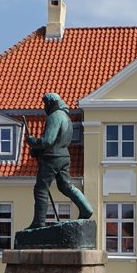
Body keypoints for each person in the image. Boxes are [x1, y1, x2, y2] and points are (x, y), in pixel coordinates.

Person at [26, 92, 93, 229]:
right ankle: (86, 208)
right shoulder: (66, 118)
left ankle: (39, 222)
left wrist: (33, 141)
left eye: (45, 103)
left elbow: (48, 141)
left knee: (41, 189)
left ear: (51, 103)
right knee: (65, 186)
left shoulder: (54, 117)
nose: (44, 107)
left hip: (52, 158)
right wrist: (37, 151)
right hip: (63, 156)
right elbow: (56, 141)